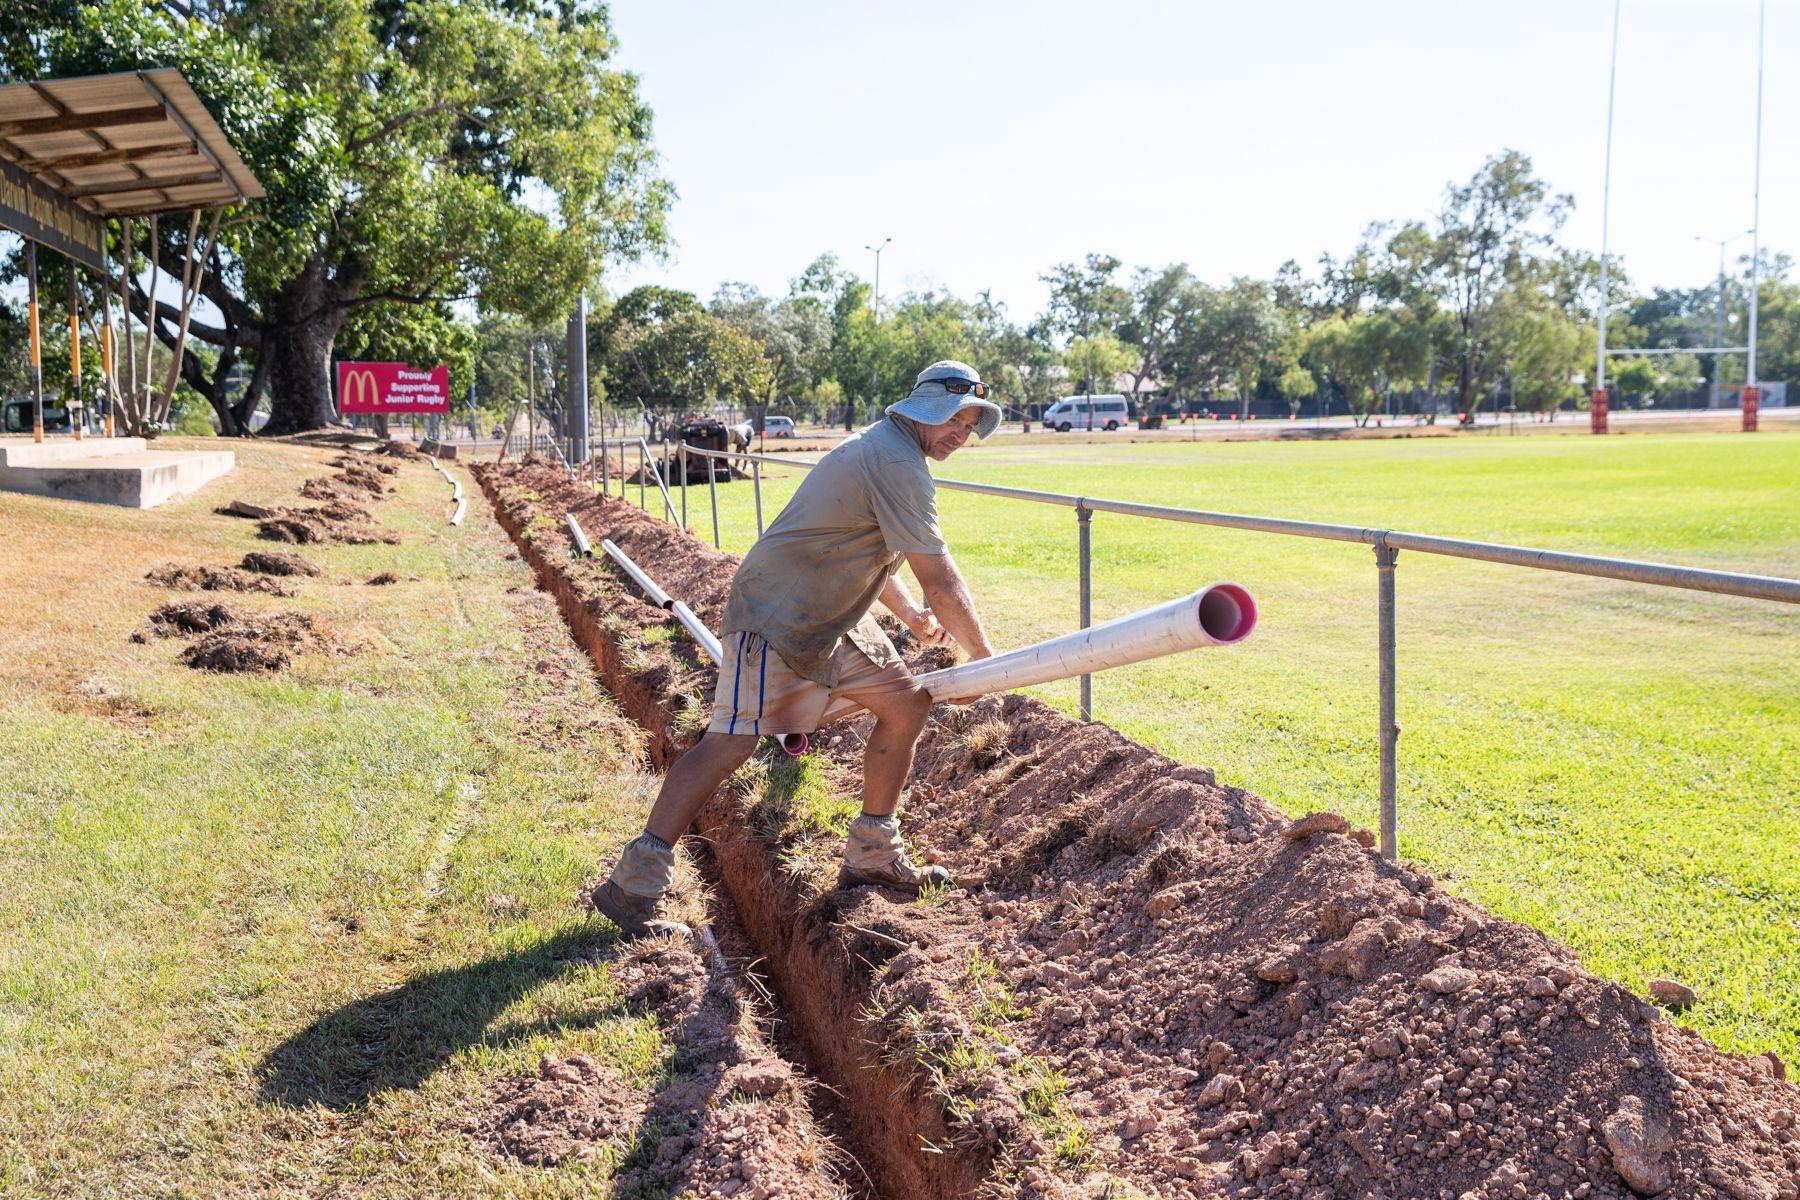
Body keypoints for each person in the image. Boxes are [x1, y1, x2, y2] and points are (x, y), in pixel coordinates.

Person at [590, 360, 1002, 939]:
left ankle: (872, 855)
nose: (961, 432)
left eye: (971, 423)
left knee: (906, 704)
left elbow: (876, 550)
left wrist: (909, 616)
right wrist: (984, 659)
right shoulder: (894, 460)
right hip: (778, 615)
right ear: (924, 410)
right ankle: (633, 886)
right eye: (955, 419)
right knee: (729, 743)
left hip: (834, 620)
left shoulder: (888, 450)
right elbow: (941, 576)